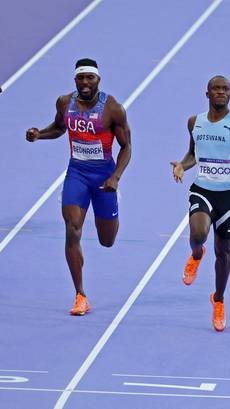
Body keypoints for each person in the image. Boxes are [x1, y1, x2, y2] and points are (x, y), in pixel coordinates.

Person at [26, 58, 131, 315]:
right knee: (72, 230)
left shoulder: (113, 108)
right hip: (77, 174)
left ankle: (111, 211)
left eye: (90, 78)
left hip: (104, 178)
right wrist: (40, 134)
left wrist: (115, 177)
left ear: (98, 80)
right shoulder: (65, 103)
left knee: (107, 240)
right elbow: (59, 128)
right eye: (81, 78)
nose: (85, 82)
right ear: (75, 80)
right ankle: (80, 295)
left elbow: (127, 147)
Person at [170, 75, 230, 332]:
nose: (221, 92)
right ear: (207, 94)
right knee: (198, 234)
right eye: (216, 89)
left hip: (228, 198)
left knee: (223, 253)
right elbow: (192, 155)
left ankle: (218, 299)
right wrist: (181, 165)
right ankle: (196, 254)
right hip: (201, 190)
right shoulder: (194, 123)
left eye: (226, 89)